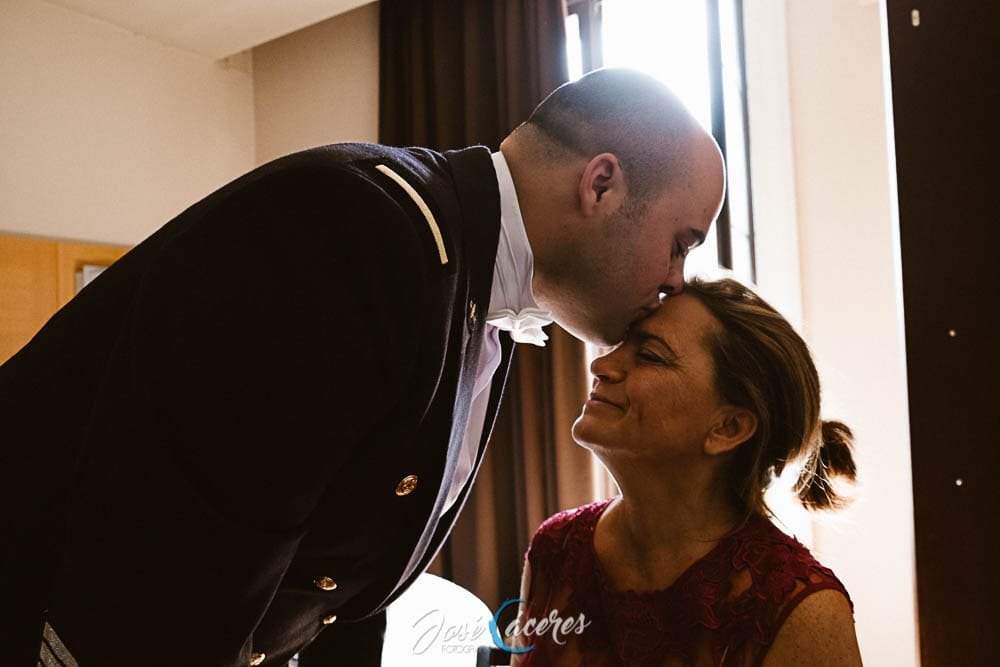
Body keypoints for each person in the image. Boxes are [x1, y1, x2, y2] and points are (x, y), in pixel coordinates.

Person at [0, 68, 725, 666]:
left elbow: (343, 588)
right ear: (600, 186)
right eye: (681, 243)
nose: (677, 281)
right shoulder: (362, 230)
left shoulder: (476, 296)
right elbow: (169, 589)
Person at [512, 278, 863, 666]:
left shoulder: (801, 612)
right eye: (621, 345)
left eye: (649, 355)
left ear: (727, 428)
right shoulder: (556, 549)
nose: (601, 364)